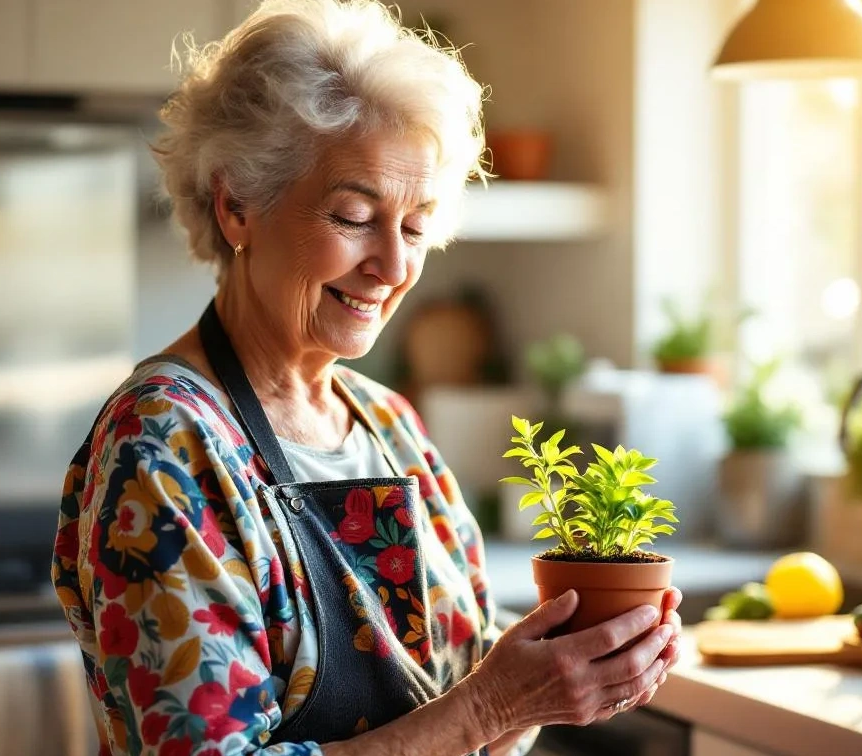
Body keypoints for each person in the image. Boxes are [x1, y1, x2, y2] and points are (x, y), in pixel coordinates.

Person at [50, 1, 682, 754]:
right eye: (354, 217)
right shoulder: (164, 443)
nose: (394, 266)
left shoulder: (391, 428)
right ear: (236, 206)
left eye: (415, 227)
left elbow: (475, 716)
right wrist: (488, 707)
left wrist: (554, 682)